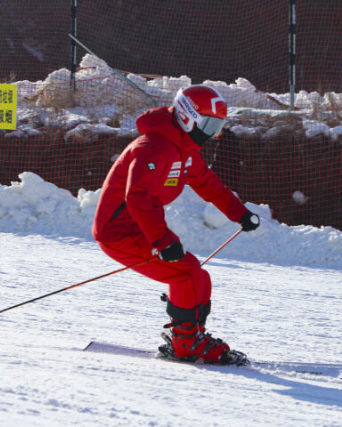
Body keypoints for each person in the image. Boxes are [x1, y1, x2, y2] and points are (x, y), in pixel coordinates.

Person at [92, 85, 260, 364]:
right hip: (118, 234)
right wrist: (164, 241)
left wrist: (239, 213)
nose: (213, 134)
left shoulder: (184, 149)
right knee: (184, 274)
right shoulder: (154, 149)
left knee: (198, 275)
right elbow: (139, 199)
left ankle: (192, 336)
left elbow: (208, 184)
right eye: (209, 124)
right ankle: (186, 345)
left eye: (218, 126)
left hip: (140, 229)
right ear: (187, 117)